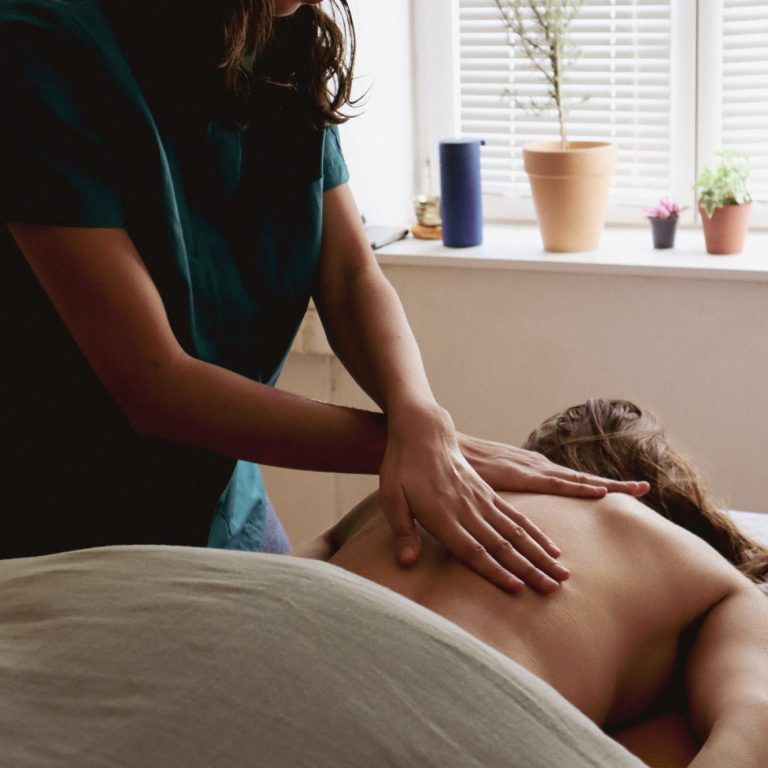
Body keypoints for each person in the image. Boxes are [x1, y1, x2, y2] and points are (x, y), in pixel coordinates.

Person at [0, 0, 646, 582]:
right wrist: (420, 449)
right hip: (60, 528)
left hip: (223, 508)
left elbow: (349, 273)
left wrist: (420, 414)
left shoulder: (282, 37)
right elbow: (152, 383)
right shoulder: (40, 47)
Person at [305, 398, 768, 768]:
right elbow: (754, 721)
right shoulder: (692, 563)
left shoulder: (381, 508)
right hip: (456, 730)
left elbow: (276, 582)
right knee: (674, 726)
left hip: (276, 692)